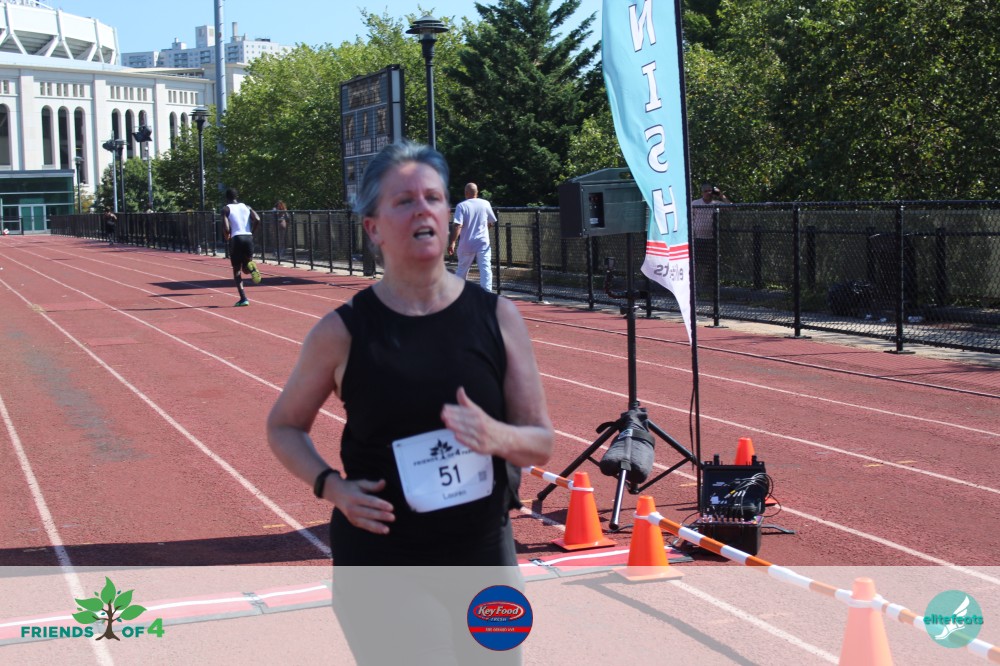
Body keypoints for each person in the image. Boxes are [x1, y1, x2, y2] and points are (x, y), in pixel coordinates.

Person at [266, 141, 553, 664]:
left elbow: (539, 443)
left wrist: (496, 436)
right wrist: (331, 486)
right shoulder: (341, 332)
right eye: (404, 201)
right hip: (384, 557)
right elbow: (284, 426)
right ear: (373, 228)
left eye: (433, 198)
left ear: (448, 216)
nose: (423, 209)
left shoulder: (498, 318)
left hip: (483, 553)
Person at [448, 182, 497, 291]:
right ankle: (487, 294)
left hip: (467, 243)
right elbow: (491, 222)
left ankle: (458, 293)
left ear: (466, 193)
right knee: (485, 269)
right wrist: (483, 230)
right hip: (482, 243)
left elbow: (458, 225)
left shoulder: (462, 206)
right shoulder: (485, 203)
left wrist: (452, 242)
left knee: (462, 269)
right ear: (477, 192)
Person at [221, 188, 262, 306]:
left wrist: (227, 236)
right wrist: (251, 232)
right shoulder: (246, 207)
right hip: (248, 237)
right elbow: (257, 219)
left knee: (237, 270)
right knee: (246, 268)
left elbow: (226, 228)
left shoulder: (226, 209)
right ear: (236, 196)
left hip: (236, 239)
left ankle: (243, 298)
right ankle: (252, 268)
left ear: (226, 198)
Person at [691, 182, 731, 294]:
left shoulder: (716, 203)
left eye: (710, 191)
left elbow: (730, 207)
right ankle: (695, 284)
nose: (708, 193)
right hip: (697, 238)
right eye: (705, 191)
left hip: (711, 238)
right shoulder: (695, 203)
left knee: (708, 263)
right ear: (702, 192)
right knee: (696, 262)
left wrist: (721, 195)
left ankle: (704, 285)